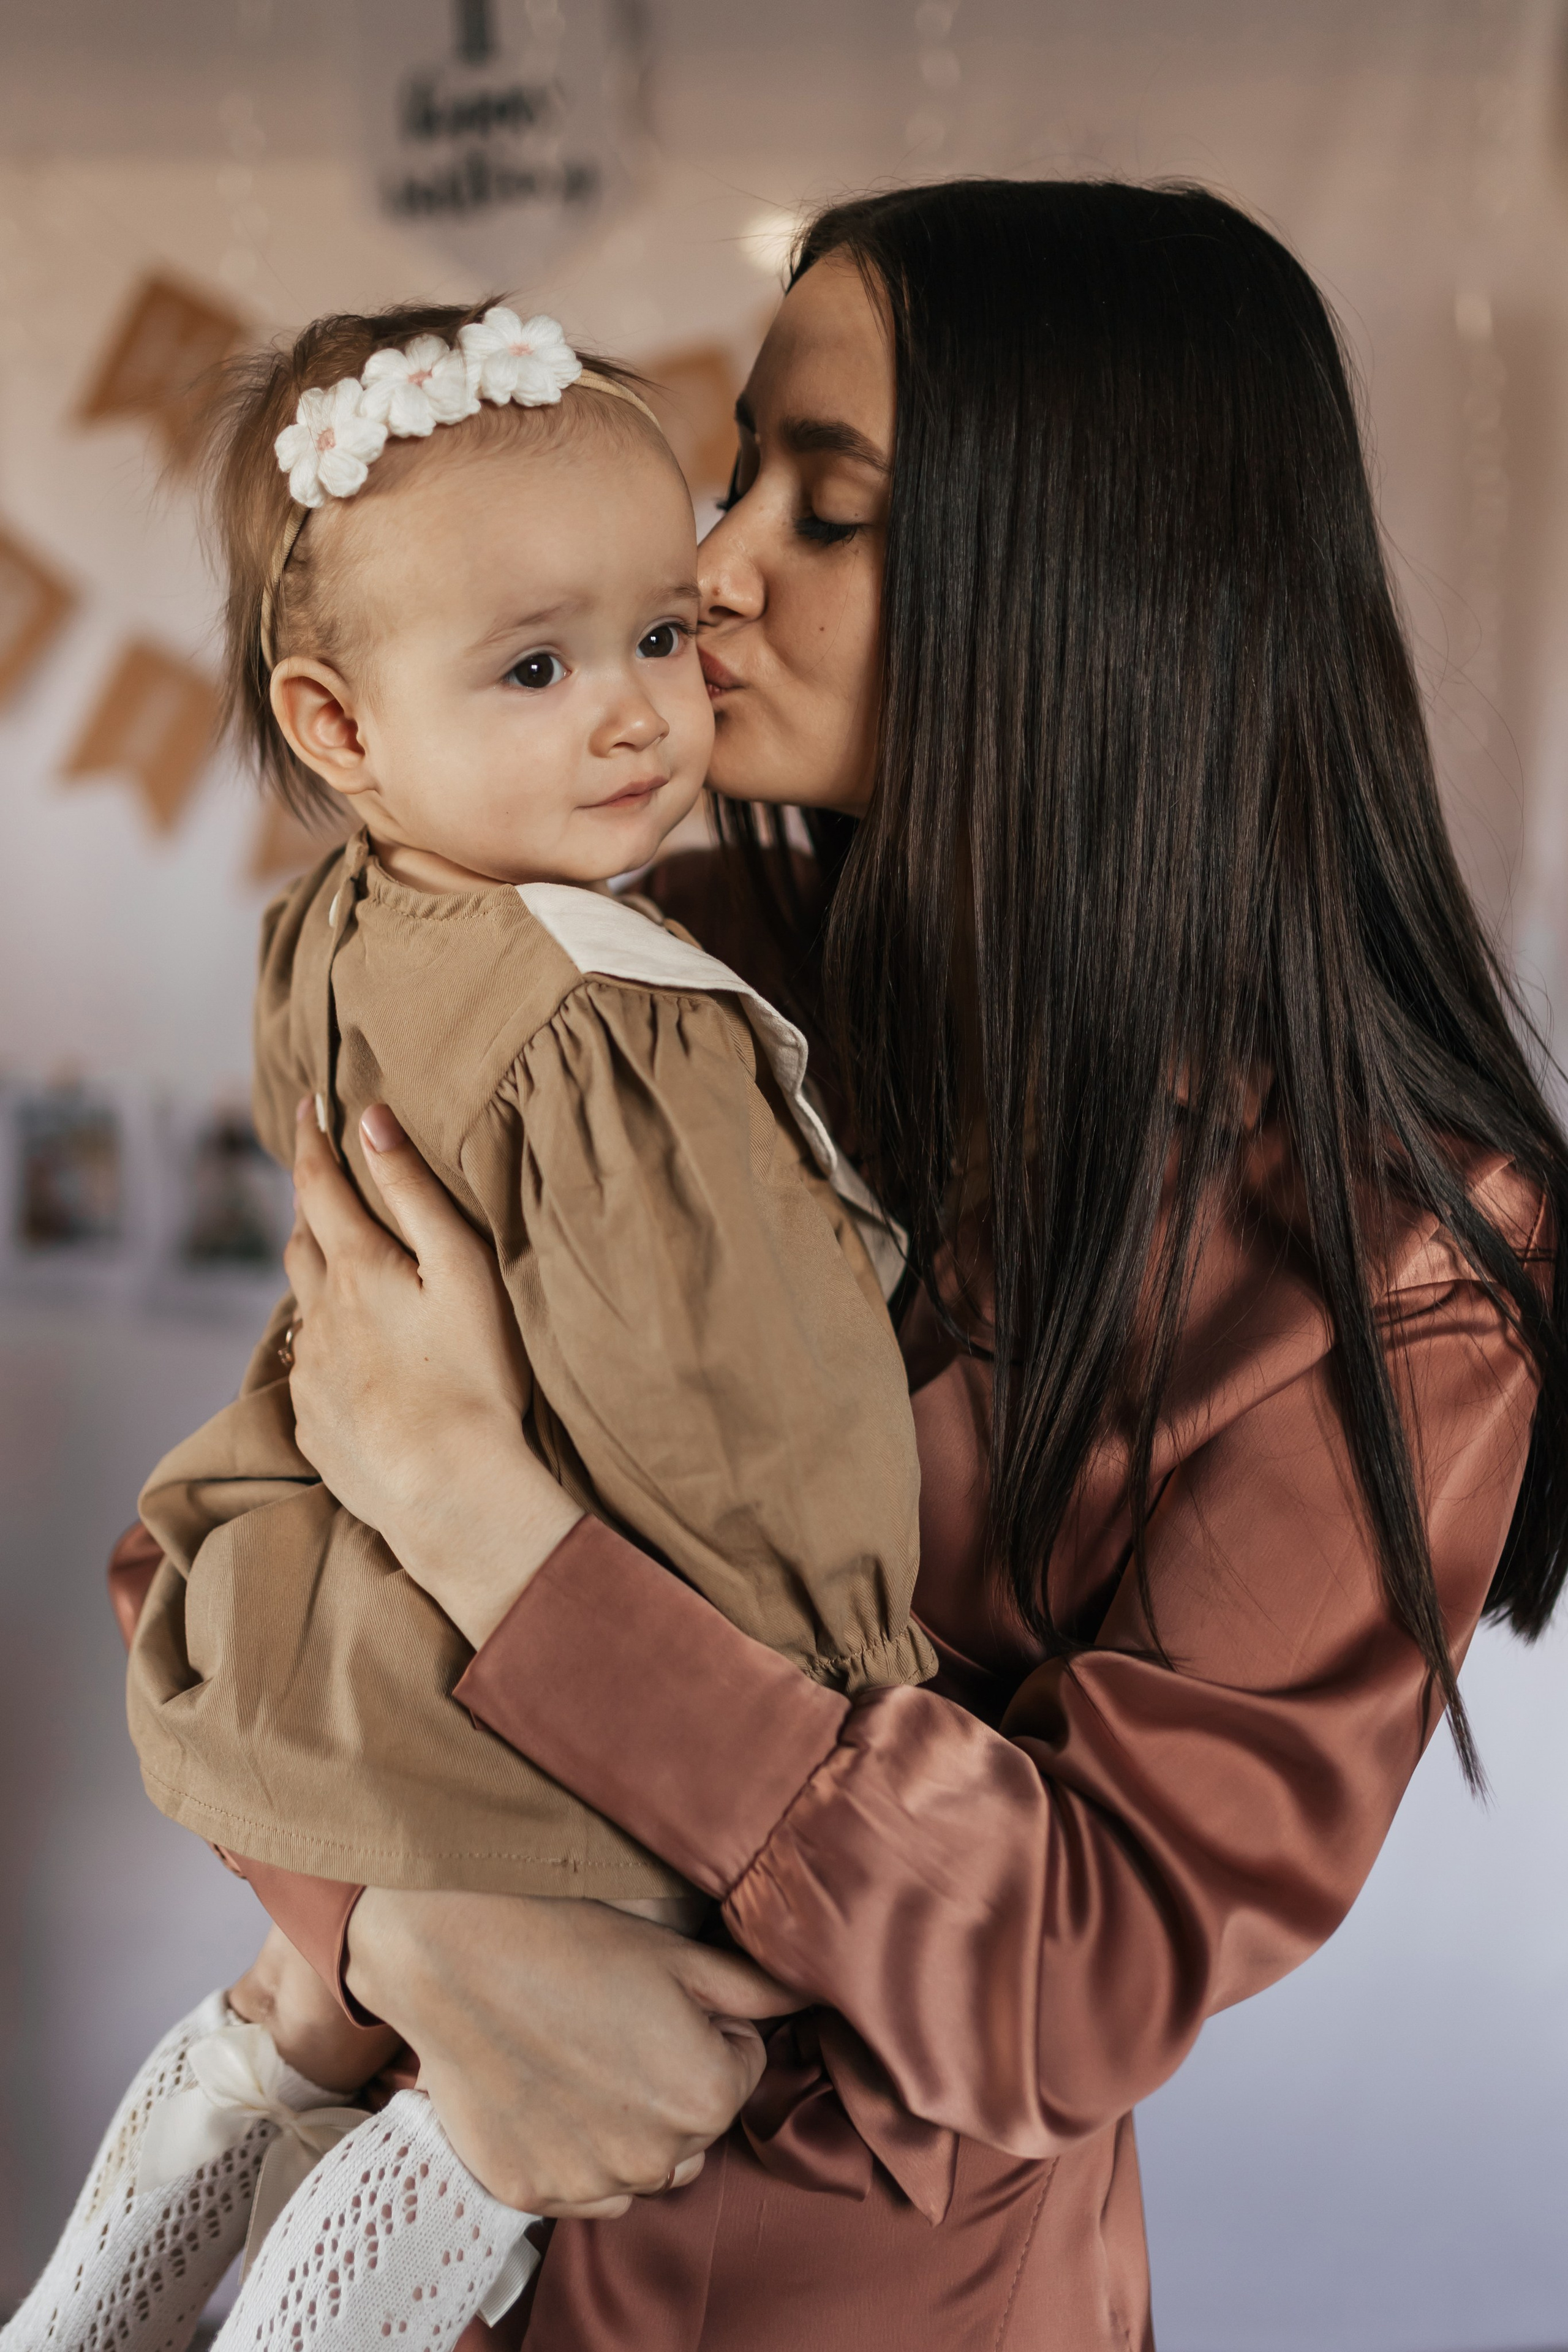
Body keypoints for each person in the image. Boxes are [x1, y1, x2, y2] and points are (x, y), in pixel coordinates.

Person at [113, 173, 1568, 2350]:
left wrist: (513, 1550)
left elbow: (1080, 1962)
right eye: (738, 479)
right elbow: (230, 1560)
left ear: (1095, 581)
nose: (708, 574)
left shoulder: (1398, 1264)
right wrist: (406, 1927)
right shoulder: (640, 973)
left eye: (832, 505)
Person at [6, 296, 929, 2352]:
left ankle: (93, 2296)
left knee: (294, 2023)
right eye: (536, 667)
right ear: (337, 726)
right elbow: (743, 1411)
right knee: (512, 2127)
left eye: (657, 640)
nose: (635, 717)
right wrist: (851, 1653)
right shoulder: (621, 1020)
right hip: (519, 1713)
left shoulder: (351, 916)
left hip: (329, 1621)